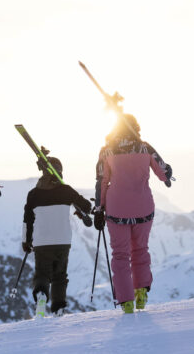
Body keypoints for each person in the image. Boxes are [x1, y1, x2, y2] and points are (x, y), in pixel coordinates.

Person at [94, 114, 171, 314]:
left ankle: (126, 301)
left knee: (120, 255)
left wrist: (99, 210)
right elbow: (164, 173)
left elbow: (102, 181)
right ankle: (141, 292)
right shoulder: (146, 148)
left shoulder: (107, 151)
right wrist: (169, 173)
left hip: (116, 210)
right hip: (143, 209)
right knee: (140, 250)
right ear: (136, 128)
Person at [22, 156, 91, 317]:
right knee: (60, 276)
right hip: (63, 239)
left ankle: (41, 295)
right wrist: (80, 211)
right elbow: (86, 206)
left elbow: (28, 220)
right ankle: (58, 307)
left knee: (42, 274)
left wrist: (26, 241)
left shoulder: (33, 194)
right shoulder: (66, 191)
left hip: (41, 241)